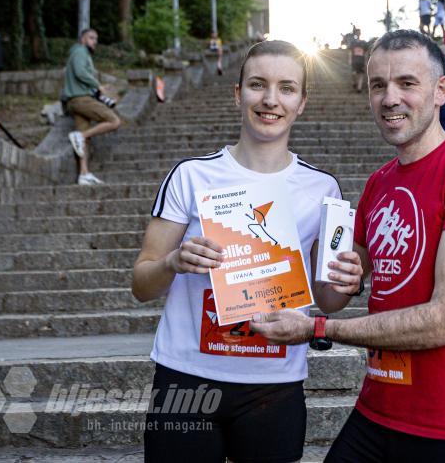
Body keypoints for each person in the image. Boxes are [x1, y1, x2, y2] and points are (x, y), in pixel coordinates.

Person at [251, 30, 445, 462]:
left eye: (406, 84)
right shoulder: (380, 182)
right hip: (379, 407)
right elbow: (337, 289)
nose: (389, 98)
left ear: (441, 91)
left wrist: (317, 329)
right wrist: (273, 251)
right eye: (378, 85)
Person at [132, 40, 364, 462]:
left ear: (302, 102)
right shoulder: (190, 176)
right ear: (238, 93)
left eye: (286, 88)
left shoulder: (322, 188)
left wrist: (350, 280)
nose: (271, 99)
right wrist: (173, 261)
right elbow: (142, 283)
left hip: (273, 383)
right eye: (258, 85)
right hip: (188, 376)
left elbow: (328, 300)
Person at [62, 28, 121, 185]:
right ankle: (80, 136)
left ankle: (84, 173)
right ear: (82, 39)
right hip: (81, 100)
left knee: (85, 138)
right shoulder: (80, 51)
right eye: (91, 38)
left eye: (95, 39)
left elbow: (80, 77)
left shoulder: (78, 53)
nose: (94, 41)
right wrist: (98, 86)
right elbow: (80, 72)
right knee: (114, 121)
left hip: (75, 101)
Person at [349, 29, 369, 93]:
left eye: (359, 32)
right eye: (357, 32)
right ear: (355, 34)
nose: (358, 34)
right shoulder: (353, 42)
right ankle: (354, 82)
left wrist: (366, 61)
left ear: (360, 33)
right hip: (354, 60)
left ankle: (359, 89)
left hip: (361, 60)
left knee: (361, 74)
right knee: (353, 73)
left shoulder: (364, 42)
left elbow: (365, 53)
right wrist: (350, 59)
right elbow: (350, 51)